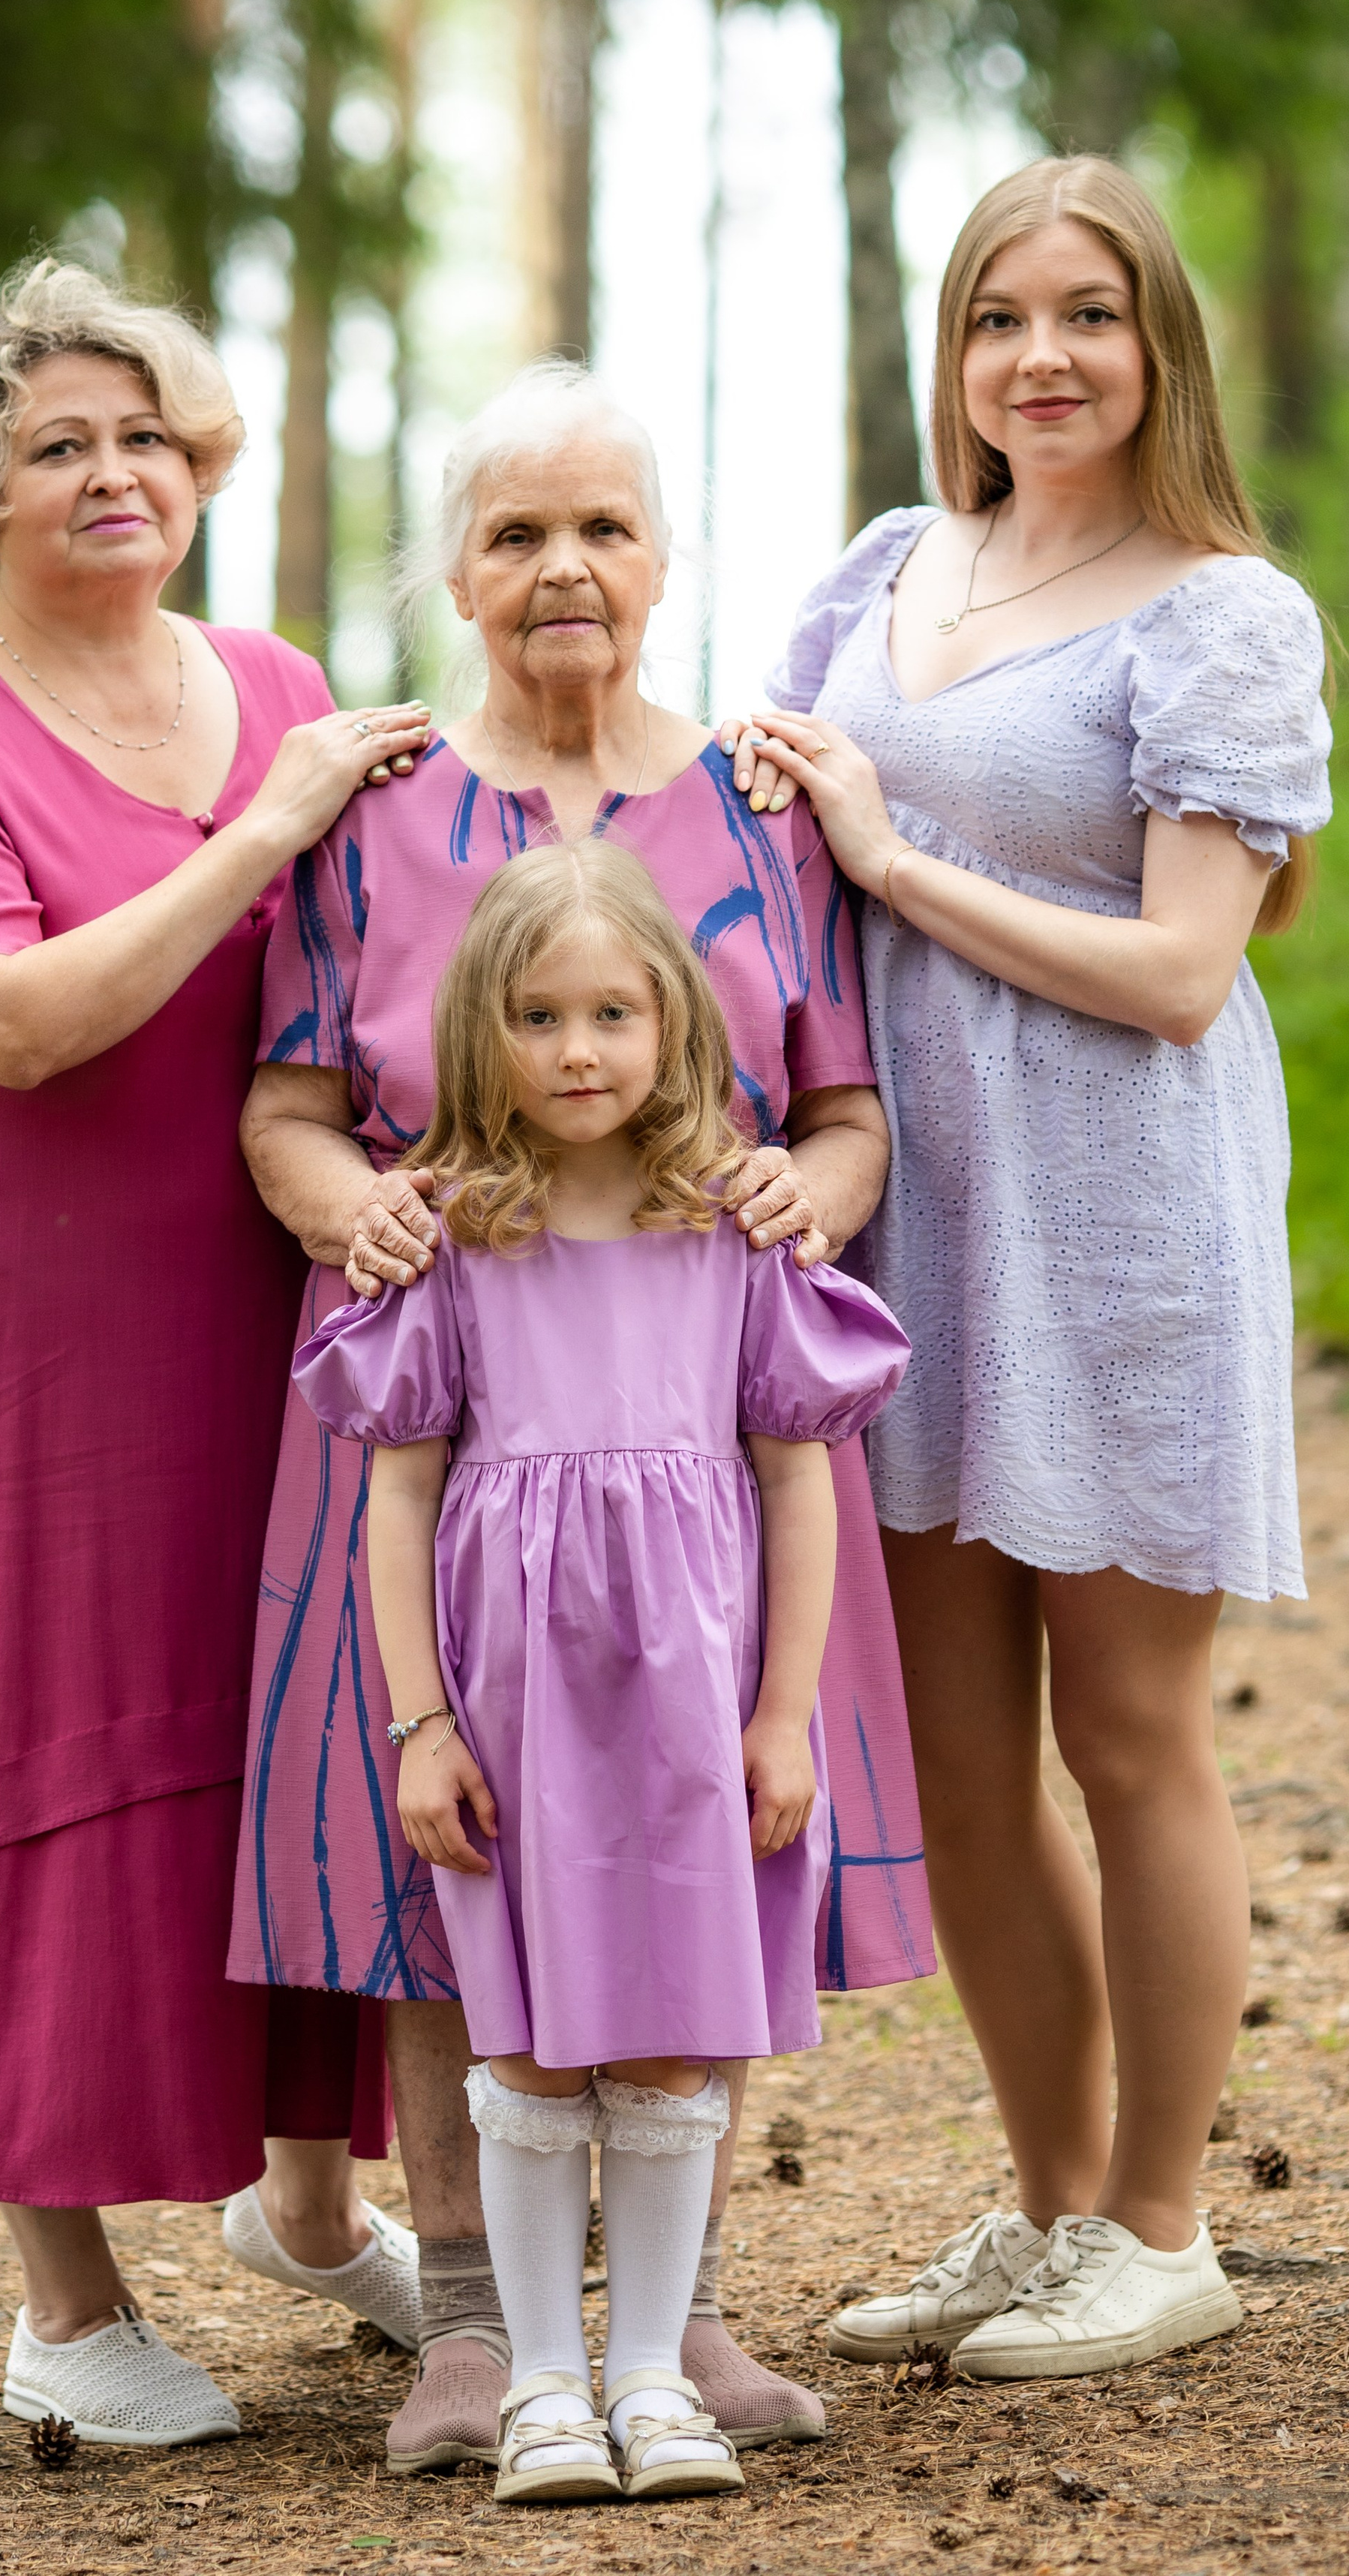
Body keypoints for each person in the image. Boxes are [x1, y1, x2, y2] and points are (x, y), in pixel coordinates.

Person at [225, 363, 933, 2470]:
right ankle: (470, 2323)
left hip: (703, 1434)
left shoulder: (759, 806)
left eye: (603, 530)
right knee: (459, 1854)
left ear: (661, 562)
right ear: (457, 568)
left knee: (703, 1825)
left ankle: (683, 2324)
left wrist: (822, 1196)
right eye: (517, 533)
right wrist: (366, 1220)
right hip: (446, 1421)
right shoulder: (371, 809)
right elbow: (282, 1105)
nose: (562, 571)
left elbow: (842, 1108)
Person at [0, 257, 435, 2445]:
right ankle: (64, 2308)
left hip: (258, 1310)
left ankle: (318, 2219)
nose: (112, 472)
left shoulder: (282, 676)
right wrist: (265, 825)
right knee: (43, 1771)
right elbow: (23, 1023)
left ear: (203, 462)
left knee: (293, 1730)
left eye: (147, 433)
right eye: (56, 443)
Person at [721, 155, 1333, 2379]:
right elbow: (760, 877)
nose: (1041, 358)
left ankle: (1165, 2226)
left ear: (1159, 339)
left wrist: (895, 850)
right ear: (954, 351)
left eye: (1089, 313)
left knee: (1136, 1736)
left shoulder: (1223, 614)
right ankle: (1052, 2199)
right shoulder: (885, 575)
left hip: (1122, 1218)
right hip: (906, 1224)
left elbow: (1185, 973)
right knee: (966, 1769)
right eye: (1001, 317)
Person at [293, 840, 910, 2503]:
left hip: (695, 1710)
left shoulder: (728, 1226)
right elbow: (397, 1491)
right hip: (514, 1713)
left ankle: (651, 2367)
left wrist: (782, 1713)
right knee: (528, 2043)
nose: (577, 1049)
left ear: (672, 1026)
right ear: (480, 1037)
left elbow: (795, 1472)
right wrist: (421, 1725)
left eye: (612, 1013)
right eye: (538, 1014)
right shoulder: (449, 1241)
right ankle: (542, 2384)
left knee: (668, 2041)